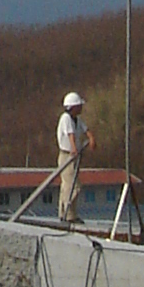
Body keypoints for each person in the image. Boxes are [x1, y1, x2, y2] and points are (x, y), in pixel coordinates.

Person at [56, 91, 91, 224]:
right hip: (67, 155)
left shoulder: (76, 119)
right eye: (79, 106)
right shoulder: (65, 118)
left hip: (72, 156)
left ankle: (65, 213)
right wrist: (74, 148)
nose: (81, 108)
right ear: (73, 107)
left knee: (66, 185)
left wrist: (91, 138)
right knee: (72, 186)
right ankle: (68, 215)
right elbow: (70, 134)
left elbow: (84, 129)